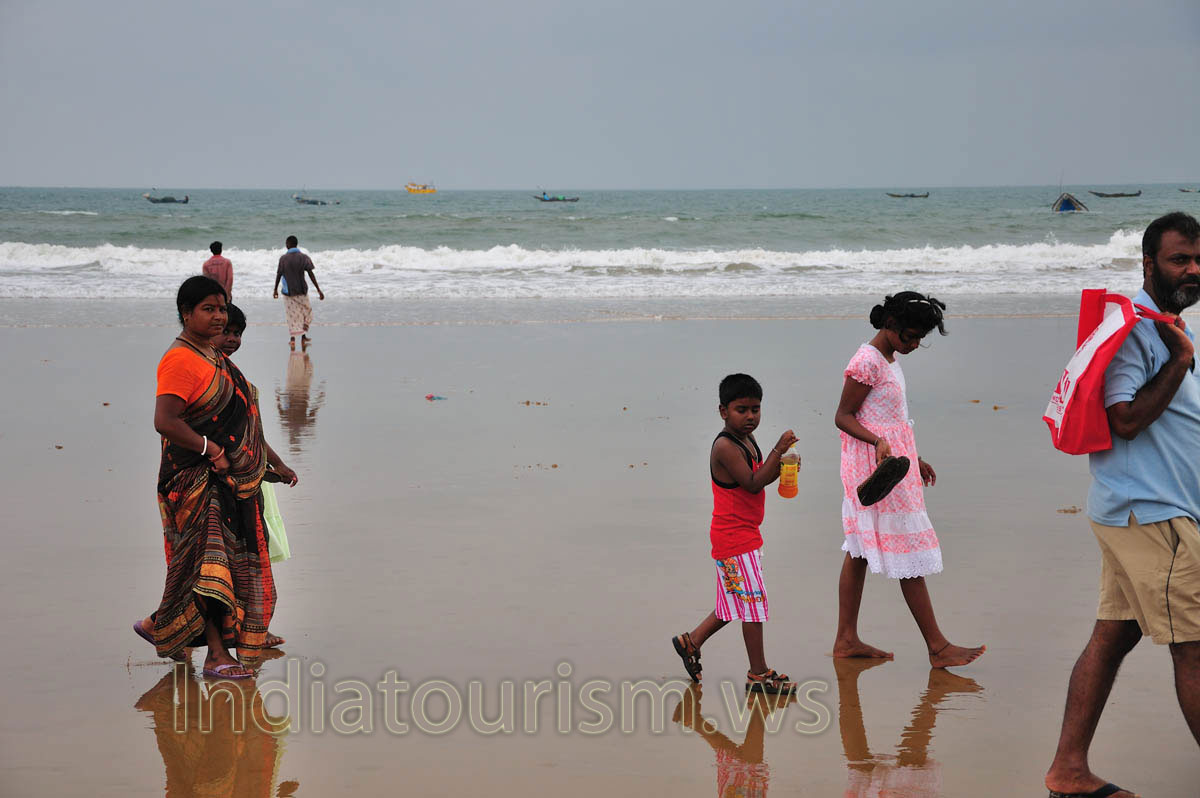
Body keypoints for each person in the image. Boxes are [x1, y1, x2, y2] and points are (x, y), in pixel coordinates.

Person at [1045, 212, 1200, 798]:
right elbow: (1125, 419)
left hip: (1141, 510)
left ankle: (1068, 770)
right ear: (1148, 263)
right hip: (1150, 515)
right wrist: (1181, 361)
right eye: (1179, 259)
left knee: (1113, 636)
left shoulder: (1164, 325)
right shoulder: (1136, 329)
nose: (1192, 270)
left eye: (1198, 259)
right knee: (1194, 644)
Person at [132, 277, 278, 679]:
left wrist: (269, 461)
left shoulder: (212, 354)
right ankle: (215, 654)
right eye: (208, 309)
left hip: (224, 477)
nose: (218, 316)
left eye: (222, 308)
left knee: (216, 565)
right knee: (206, 568)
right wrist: (212, 450)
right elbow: (165, 421)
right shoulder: (180, 359)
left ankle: (159, 623)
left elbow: (241, 409)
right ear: (186, 313)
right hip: (193, 478)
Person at [832, 292, 985, 667]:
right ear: (890, 325)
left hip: (892, 464)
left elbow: (887, 417)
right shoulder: (866, 361)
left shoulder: (889, 357)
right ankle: (937, 646)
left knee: (858, 551)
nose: (914, 345)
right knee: (907, 554)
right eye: (910, 337)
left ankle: (846, 639)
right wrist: (879, 442)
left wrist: (914, 458)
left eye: (920, 339)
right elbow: (843, 416)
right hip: (874, 469)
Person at [671, 373, 799, 694]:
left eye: (756, 409)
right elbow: (753, 483)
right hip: (733, 539)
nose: (750, 417)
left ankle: (691, 641)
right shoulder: (725, 447)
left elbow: (760, 475)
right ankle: (758, 674)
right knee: (752, 603)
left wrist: (784, 465)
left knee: (735, 602)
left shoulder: (747, 440)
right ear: (723, 411)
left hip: (744, 534)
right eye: (742, 409)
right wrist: (777, 449)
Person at [217, 304, 298, 650]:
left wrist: (276, 465)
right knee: (227, 562)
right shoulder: (209, 379)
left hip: (247, 480)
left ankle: (252, 629)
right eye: (227, 332)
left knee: (248, 559)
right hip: (222, 482)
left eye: (238, 334)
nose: (233, 339)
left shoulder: (236, 380)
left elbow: (254, 432)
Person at [273, 235, 324, 350]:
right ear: (296, 244)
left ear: (288, 245)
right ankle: (302, 337)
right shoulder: (303, 257)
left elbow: (279, 274)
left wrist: (275, 289)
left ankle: (293, 339)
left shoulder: (283, 259)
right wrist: (318, 289)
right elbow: (311, 274)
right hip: (301, 291)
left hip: (288, 292)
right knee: (305, 312)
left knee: (292, 316)